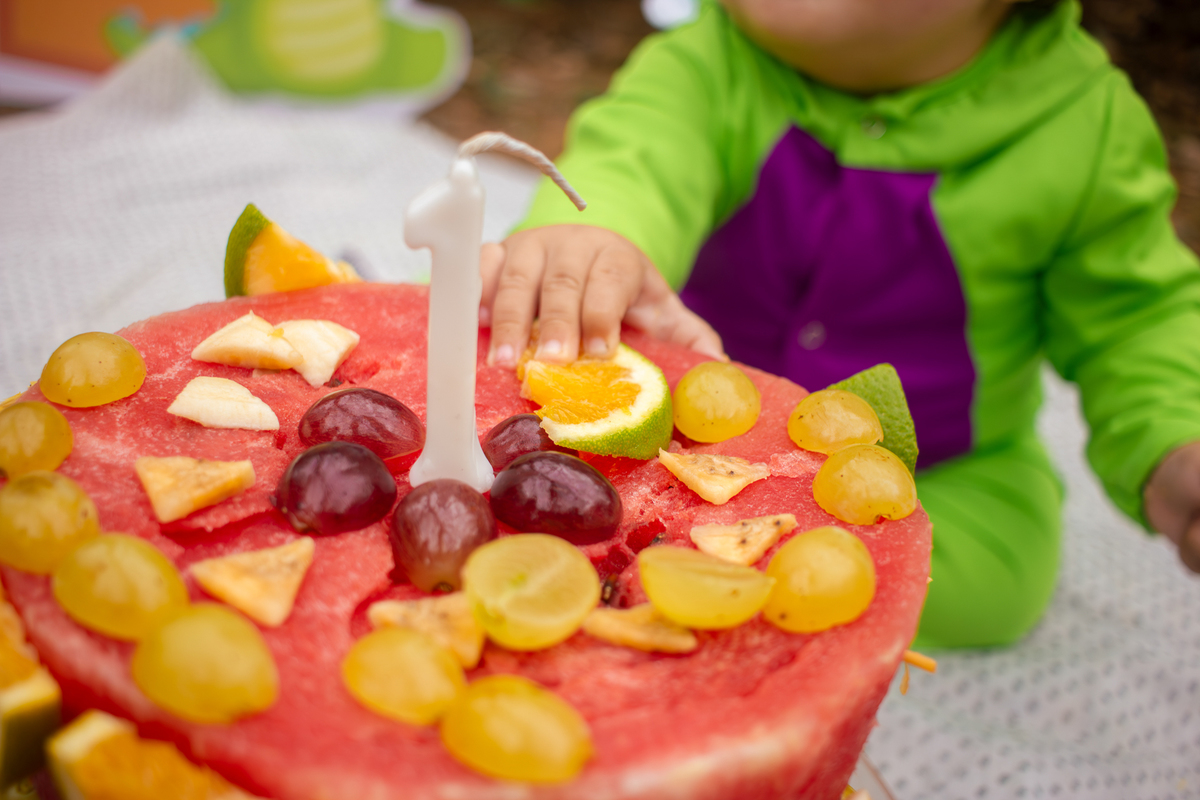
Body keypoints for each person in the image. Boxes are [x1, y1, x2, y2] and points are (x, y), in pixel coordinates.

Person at [476, 0, 1200, 648]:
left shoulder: (1087, 125)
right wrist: (597, 242)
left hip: (941, 463)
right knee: (507, 361)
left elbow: (1137, 318)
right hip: (685, 443)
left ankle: (729, 576)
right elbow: (631, 162)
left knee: (1000, 583)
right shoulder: (706, 60)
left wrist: (1173, 443)